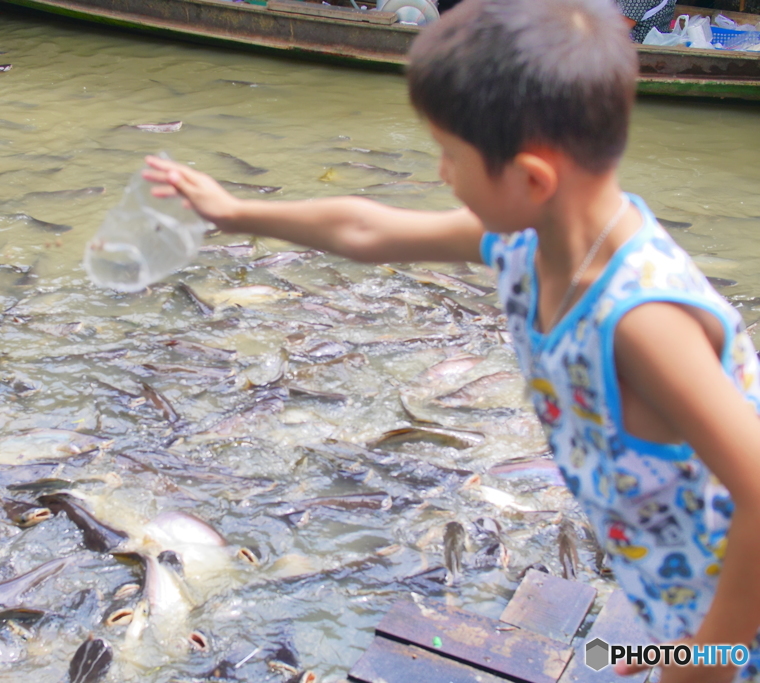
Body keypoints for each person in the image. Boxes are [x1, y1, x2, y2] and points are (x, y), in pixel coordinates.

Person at [141, 0, 760, 679]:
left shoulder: (642, 322)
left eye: (450, 155)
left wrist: (702, 662)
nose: (440, 174)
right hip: (673, 592)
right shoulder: (533, 237)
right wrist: (235, 211)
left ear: (531, 178)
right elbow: (368, 230)